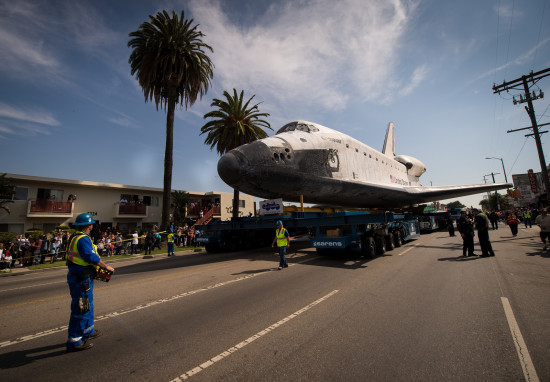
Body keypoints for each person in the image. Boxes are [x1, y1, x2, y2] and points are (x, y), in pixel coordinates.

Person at [65, 213, 115, 352]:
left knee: (88, 305)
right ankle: (74, 340)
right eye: (92, 224)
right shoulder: (82, 239)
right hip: (80, 278)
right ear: (89, 225)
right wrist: (105, 266)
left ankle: (88, 331)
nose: (93, 226)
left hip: (83, 276)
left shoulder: (76, 237)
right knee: (81, 308)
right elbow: (90, 256)